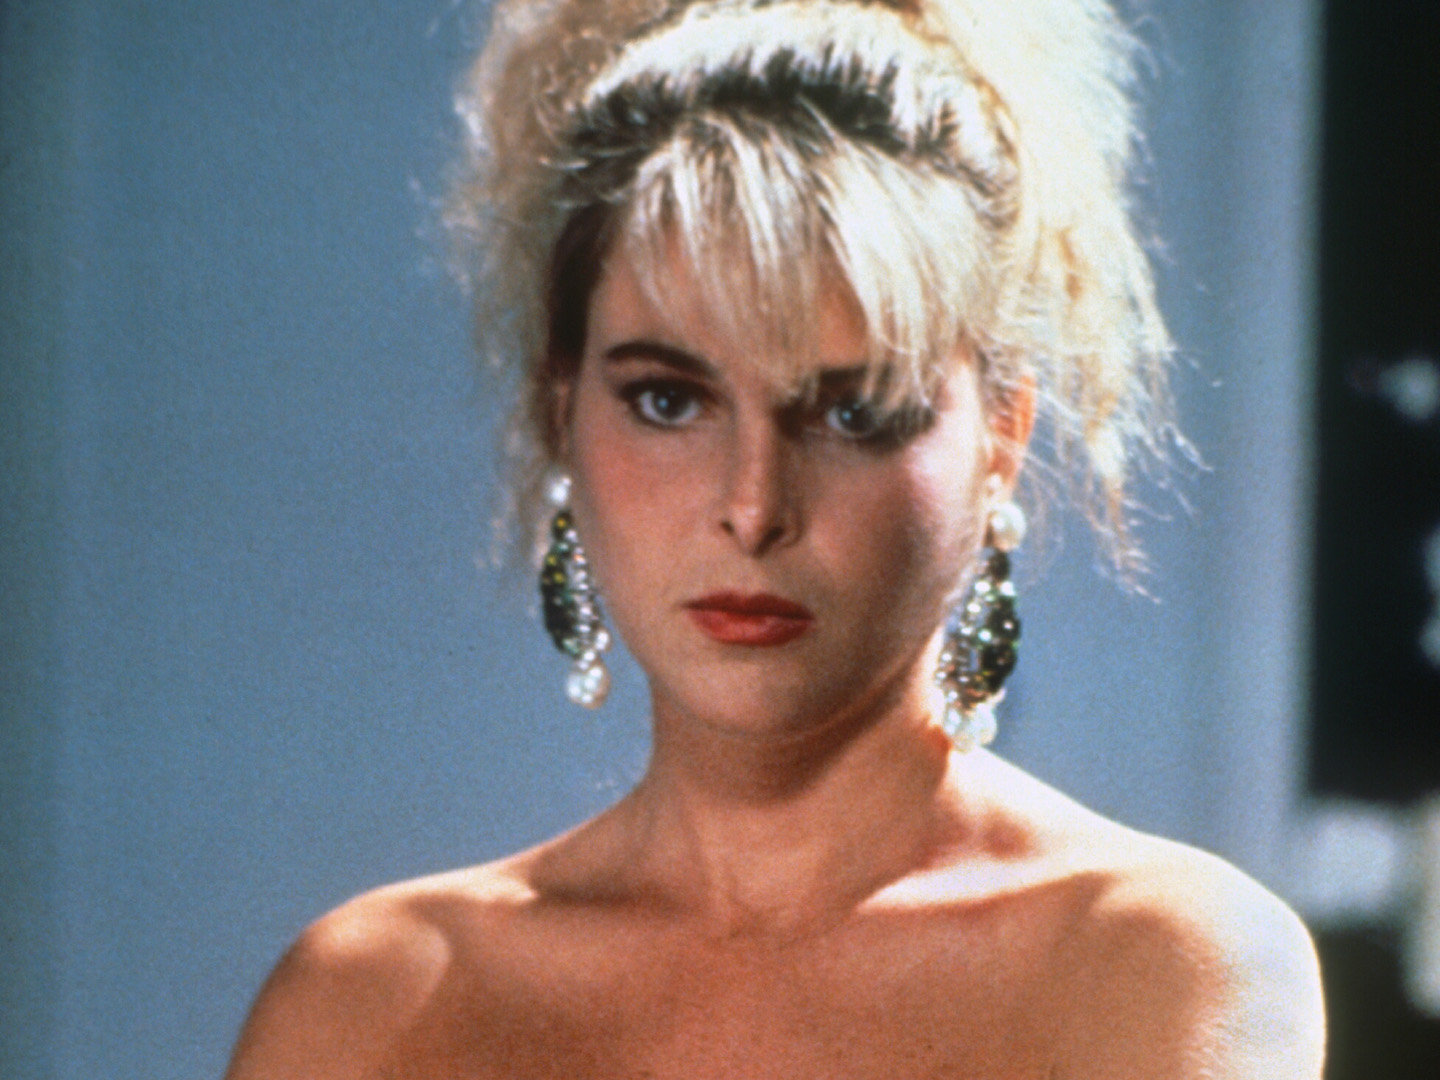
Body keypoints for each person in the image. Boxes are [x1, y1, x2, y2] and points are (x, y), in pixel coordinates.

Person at [225, 0, 1326, 1076]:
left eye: (852, 413)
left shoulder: (1152, 961)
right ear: (561, 412)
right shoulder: (374, 1000)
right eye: (668, 401)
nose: (752, 508)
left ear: (1002, 436)